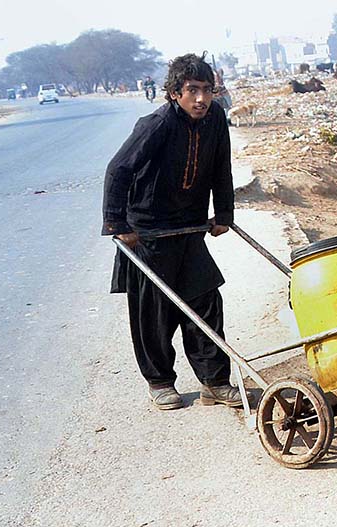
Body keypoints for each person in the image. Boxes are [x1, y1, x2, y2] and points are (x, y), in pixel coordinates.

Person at [102, 52, 242, 410]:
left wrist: (223, 212)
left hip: (189, 227)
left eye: (207, 90)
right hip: (149, 233)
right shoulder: (157, 124)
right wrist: (119, 226)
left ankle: (215, 381)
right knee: (154, 313)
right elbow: (118, 170)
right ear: (174, 93)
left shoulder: (215, 120)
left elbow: (220, 170)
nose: (201, 99)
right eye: (192, 90)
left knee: (206, 302)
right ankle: (160, 381)